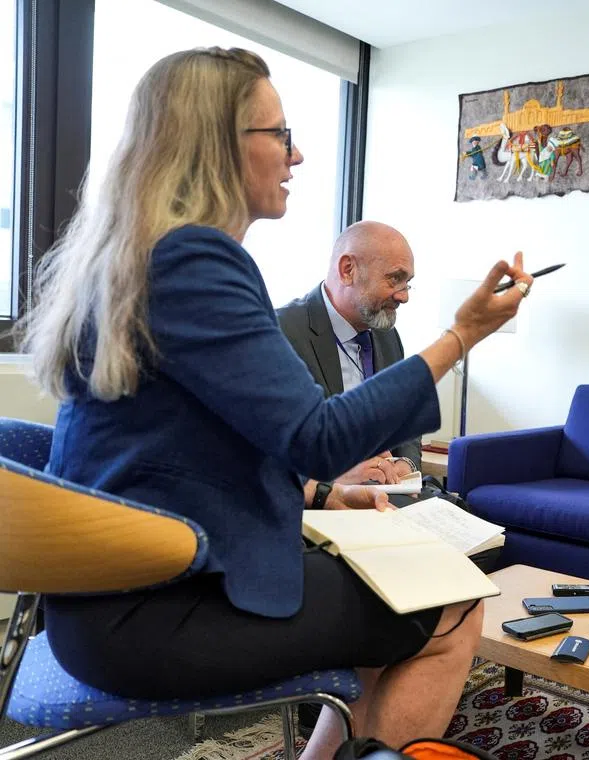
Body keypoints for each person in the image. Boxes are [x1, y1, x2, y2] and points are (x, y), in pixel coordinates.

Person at [17, 47, 533, 760]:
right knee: (450, 601)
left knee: (393, 589)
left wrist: (319, 495)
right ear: (217, 145)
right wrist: (462, 334)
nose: (298, 153)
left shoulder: (139, 256)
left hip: (110, 601)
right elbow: (317, 432)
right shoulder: (193, 259)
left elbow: (189, 449)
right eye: (280, 134)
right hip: (152, 614)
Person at [277, 221, 422, 490]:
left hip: (388, 495)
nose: (403, 297)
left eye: (407, 283)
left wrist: (407, 464)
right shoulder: (281, 332)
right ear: (348, 270)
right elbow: (270, 445)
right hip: (319, 506)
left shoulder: (387, 336)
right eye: (394, 279)